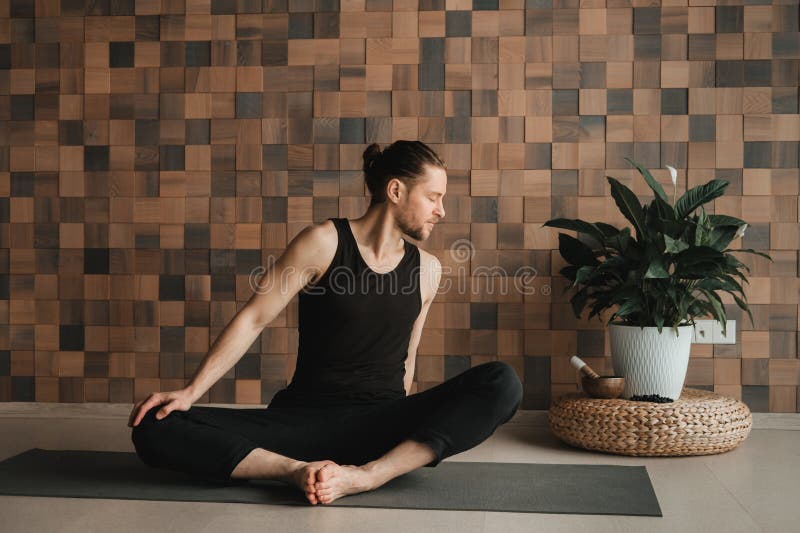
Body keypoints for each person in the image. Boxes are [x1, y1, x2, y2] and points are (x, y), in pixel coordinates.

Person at [129, 140, 523, 505]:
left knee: (502, 382)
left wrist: (393, 430)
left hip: (378, 423)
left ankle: (367, 476)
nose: (441, 210)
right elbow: (254, 318)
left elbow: (408, 357)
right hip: (302, 424)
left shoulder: (428, 270)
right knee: (153, 426)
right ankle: (294, 471)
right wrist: (191, 392)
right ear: (397, 191)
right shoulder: (323, 242)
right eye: (433, 197)